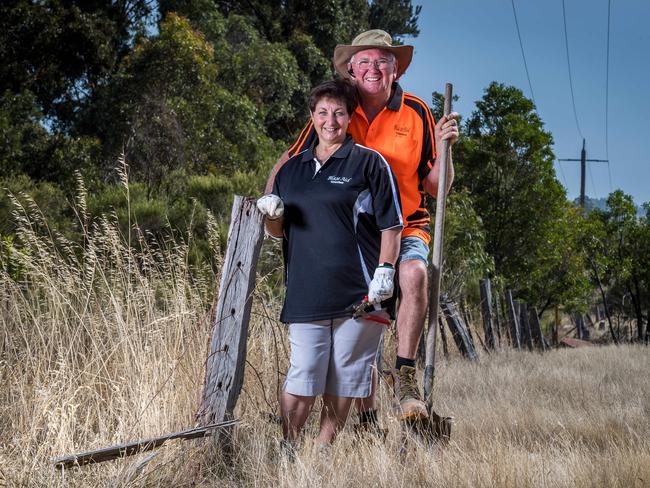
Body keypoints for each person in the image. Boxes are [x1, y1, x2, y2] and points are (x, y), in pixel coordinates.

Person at [263, 30, 459, 426]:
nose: (373, 69)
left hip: (403, 225)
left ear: (395, 69)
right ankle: (368, 421)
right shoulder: (338, 110)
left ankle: (404, 373)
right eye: (364, 62)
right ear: (351, 69)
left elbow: (437, 187)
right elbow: (291, 160)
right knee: (360, 323)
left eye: (382, 61)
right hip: (350, 233)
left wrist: (446, 146)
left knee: (413, 272)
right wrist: (269, 205)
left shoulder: (417, 112)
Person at [256, 79, 403, 449]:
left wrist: (385, 272)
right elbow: (277, 232)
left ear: (349, 117)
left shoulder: (369, 163)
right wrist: (271, 215)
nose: (331, 121)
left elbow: (392, 225)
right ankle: (288, 447)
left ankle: (322, 451)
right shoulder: (292, 171)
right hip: (307, 291)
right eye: (322, 112)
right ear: (312, 116)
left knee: (345, 376)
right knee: (304, 372)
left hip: (363, 293)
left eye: (339, 113)